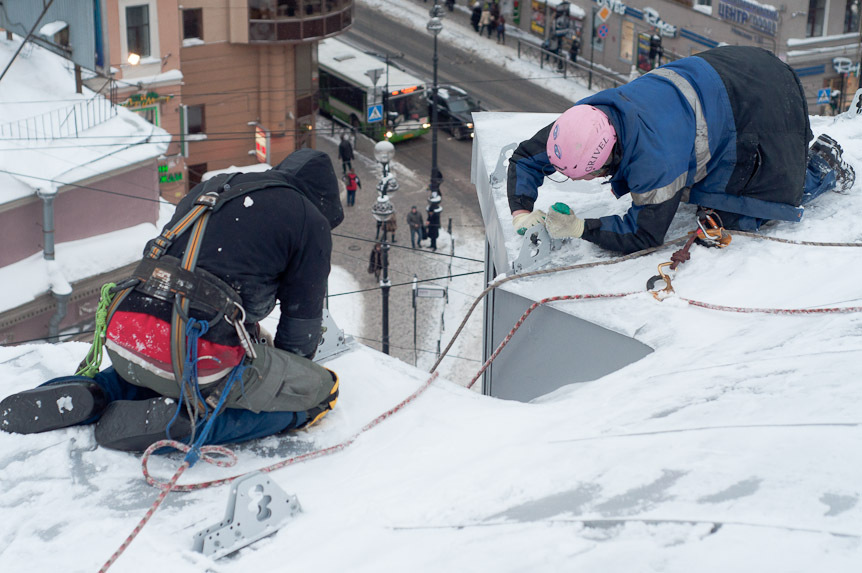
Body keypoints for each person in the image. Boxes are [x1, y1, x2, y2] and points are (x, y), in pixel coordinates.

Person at [0, 149, 343, 451]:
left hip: (128, 331)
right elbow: (301, 326)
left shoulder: (218, 184)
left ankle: (89, 392)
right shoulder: (310, 220)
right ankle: (184, 423)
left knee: (154, 365)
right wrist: (289, 377)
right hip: (194, 347)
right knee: (319, 393)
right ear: (324, 203)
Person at [507, 46, 857, 255]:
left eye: (591, 173)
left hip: (758, 99)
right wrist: (520, 211)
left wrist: (580, 227)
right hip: (726, 69)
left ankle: (822, 166)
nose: (594, 178)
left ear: (608, 156)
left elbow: (644, 233)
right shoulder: (584, 121)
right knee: (693, 189)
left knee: (741, 214)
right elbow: (527, 156)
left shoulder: (654, 158)